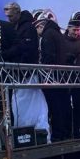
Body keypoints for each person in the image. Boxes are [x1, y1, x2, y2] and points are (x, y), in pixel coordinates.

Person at [4, 1, 46, 134]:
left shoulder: (27, 28)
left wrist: (9, 54)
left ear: (18, 13)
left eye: (10, 16)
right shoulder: (17, 27)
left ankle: (33, 131)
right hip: (21, 74)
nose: (9, 19)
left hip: (27, 73)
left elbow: (26, 49)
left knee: (29, 105)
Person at [32, 8, 72, 141]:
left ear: (40, 25)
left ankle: (58, 134)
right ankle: (67, 132)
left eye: (36, 28)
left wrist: (42, 67)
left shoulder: (47, 35)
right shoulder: (57, 33)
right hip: (63, 76)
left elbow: (48, 56)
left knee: (55, 107)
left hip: (52, 77)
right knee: (64, 104)